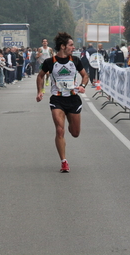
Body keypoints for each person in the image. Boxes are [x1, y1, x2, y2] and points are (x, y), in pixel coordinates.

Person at [36, 32, 89, 173]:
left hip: (73, 99)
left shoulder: (75, 60)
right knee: (60, 130)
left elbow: (85, 76)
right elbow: (40, 76)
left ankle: (71, 124)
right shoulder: (50, 62)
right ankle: (64, 161)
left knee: (75, 132)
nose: (73, 47)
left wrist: (83, 86)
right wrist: (40, 91)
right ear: (63, 46)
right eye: (71, 45)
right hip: (57, 99)